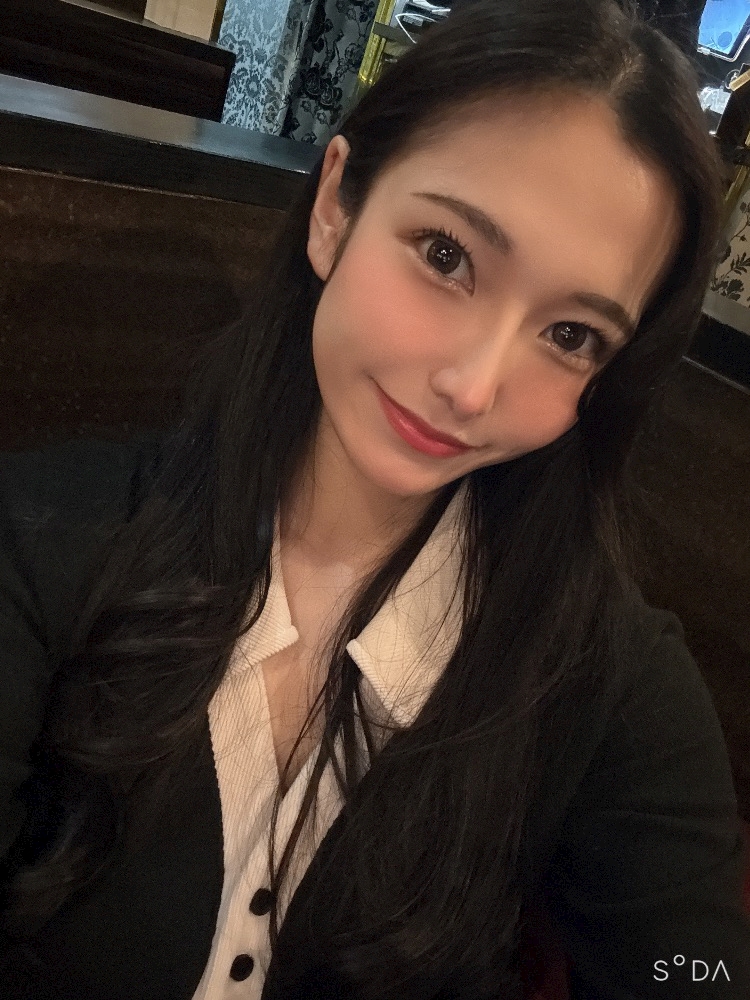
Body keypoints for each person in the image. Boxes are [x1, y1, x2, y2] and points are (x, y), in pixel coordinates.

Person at [0, 1, 748, 997]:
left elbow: (694, 968)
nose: (473, 387)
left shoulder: (611, 682)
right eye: (446, 255)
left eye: (571, 336)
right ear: (335, 209)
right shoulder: (41, 541)